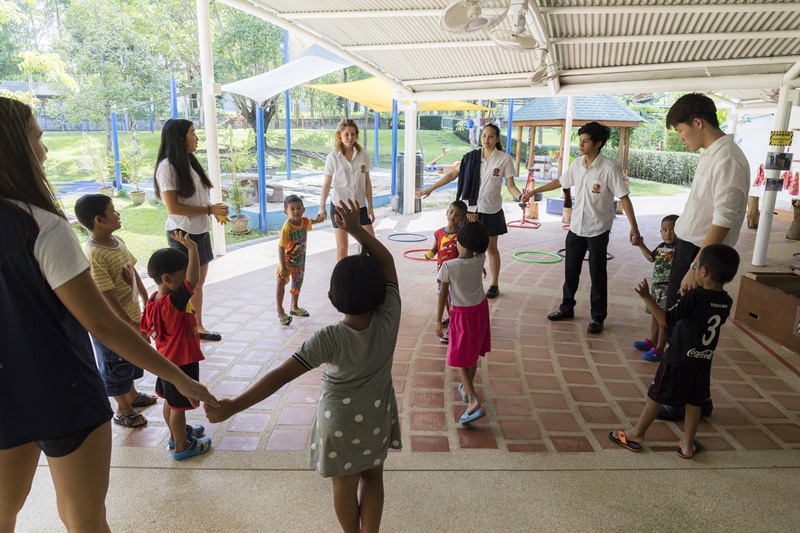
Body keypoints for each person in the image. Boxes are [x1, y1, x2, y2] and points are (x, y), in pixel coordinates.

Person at [0, 96, 217, 532]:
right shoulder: (42, 225)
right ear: (13, 147)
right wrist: (178, 376)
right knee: (84, 518)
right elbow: (101, 323)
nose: (43, 151)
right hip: (64, 392)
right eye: (38, 138)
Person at [206, 199, 400, 533]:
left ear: (333, 294)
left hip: (337, 424)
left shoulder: (329, 339)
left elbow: (279, 377)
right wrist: (355, 229)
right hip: (377, 417)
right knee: (373, 476)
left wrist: (233, 406)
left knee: (343, 485)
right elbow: (386, 260)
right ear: (381, 294)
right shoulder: (389, 317)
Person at [609, 244, 739, 459]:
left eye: (695, 266)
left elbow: (665, 320)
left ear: (703, 271)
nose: (694, 269)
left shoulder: (694, 298)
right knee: (694, 403)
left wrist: (646, 297)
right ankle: (687, 445)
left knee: (656, 396)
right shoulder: (726, 301)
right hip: (702, 361)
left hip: (677, 359)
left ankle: (637, 434)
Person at [524, 121, 641, 334]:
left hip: (598, 229)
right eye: (580, 140)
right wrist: (534, 192)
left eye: (586, 141)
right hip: (576, 227)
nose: (581, 144)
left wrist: (634, 227)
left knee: (598, 274)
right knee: (571, 271)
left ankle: (598, 317)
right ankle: (566, 307)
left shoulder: (609, 168)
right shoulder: (577, 164)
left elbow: (624, 197)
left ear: (598, 143)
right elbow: (561, 182)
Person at [74, 194, 158, 429]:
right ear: (99, 219)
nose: (118, 214)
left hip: (130, 315)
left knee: (130, 357)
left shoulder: (117, 240)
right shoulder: (94, 254)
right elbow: (106, 295)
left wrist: (144, 296)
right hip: (112, 323)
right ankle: (122, 408)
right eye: (113, 210)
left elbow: (131, 270)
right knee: (116, 364)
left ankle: (132, 396)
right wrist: (130, 324)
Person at [662, 93, 749, 318]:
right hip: (691, 249)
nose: (680, 137)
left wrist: (695, 266)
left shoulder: (727, 159)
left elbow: (724, 218)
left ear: (698, 123)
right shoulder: (712, 154)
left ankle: (675, 354)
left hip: (701, 253)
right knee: (675, 312)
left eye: (680, 130)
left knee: (684, 320)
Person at [417, 123, 523, 299]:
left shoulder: (504, 159)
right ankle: (463, 282)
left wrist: (521, 197)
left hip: (491, 210)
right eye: (484, 135)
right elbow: (452, 175)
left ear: (497, 139)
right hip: (469, 210)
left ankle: (494, 284)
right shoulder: (470, 158)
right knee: (464, 249)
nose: (486, 139)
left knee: (491, 249)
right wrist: (431, 188)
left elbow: (511, 186)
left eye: (490, 136)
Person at [153, 118, 228, 341]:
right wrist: (209, 209)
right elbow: (173, 207)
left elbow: (197, 199)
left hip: (199, 231)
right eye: (192, 132)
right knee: (185, 285)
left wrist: (214, 210)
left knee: (198, 283)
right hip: (182, 234)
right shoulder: (167, 167)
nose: (197, 137)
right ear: (179, 138)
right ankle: (181, 328)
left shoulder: (189, 162)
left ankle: (197, 326)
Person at [141, 233, 213, 460]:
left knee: (170, 402)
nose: (186, 279)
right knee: (179, 407)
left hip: (165, 362)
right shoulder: (173, 302)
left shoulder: (154, 300)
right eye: (181, 275)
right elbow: (193, 280)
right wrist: (193, 249)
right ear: (167, 278)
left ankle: (175, 435)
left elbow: (145, 328)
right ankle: (182, 446)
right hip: (181, 362)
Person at [436, 221, 491, 425]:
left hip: (461, 315)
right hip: (480, 312)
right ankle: (466, 391)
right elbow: (479, 255)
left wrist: (437, 321)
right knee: (472, 353)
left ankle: (473, 400)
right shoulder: (480, 258)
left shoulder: (449, 266)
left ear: (458, 241)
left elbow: (442, 295)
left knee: (459, 357)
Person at [317, 119, 376, 261]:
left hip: (359, 206)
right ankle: (341, 280)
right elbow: (326, 184)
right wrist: (321, 207)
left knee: (371, 243)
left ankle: (369, 274)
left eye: (353, 134)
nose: (350, 138)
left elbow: (367, 182)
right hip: (339, 206)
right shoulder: (332, 157)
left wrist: (370, 207)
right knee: (342, 247)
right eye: (347, 134)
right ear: (339, 135)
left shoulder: (363, 155)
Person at [633, 214, 679, 362]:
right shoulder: (661, 247)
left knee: (662, 319)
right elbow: (651, 258)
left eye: (672, 230)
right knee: (654, 314)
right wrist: (641, 245)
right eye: (664, 230)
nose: (668, 233)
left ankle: (659, 348)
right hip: (657, 288)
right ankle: (652, 341)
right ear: (660, 232)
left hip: (668, 290)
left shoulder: (680, 249)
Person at [425, 200, 467, 342]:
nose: (453, 216)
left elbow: (465, 253)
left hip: (456, 273)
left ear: (463, 218)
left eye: (458, 214)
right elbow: (434, 248)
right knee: (445, 297)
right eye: (451, 212)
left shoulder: (461, 235)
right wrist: (430, 254)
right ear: (446, 212)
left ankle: (453, 327)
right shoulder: (438, 233)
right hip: (441, 273)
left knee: (451, 298)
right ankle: (451, 319)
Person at [276, 194, 320, 326]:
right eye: (292, 209)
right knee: (280, 281)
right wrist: (283, 267)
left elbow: (311, 221)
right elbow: (280, 247)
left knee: (297, 283)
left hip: (300, 260)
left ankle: (294, 307)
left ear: (303, 209)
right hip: (288, 261)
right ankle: (280, 310)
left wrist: (319, 220)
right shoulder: (287, 227)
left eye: (299, 208)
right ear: (286, 212)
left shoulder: (304, 221)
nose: (296, 211)